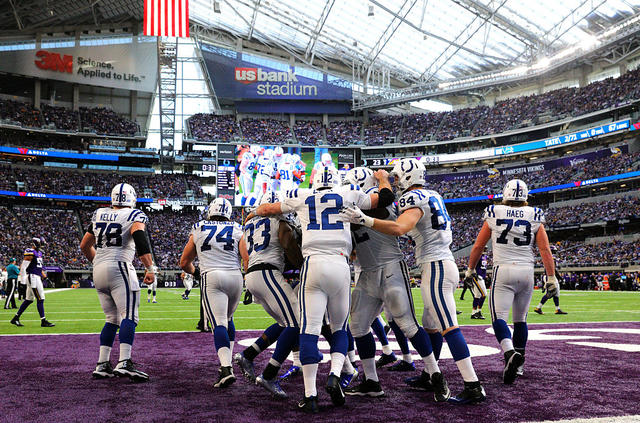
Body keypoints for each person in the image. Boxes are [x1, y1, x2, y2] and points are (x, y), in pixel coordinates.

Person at [339, 158, 485, 404]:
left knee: (437, 325)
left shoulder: (394, 198)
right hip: (377, 271)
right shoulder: (429, 195)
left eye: (397, 178)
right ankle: (382, 380)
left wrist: (366, 212)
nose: (395, 183)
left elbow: (397, 225)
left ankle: (468, 383)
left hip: (425, 264)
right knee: (364, 326)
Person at [254, 165, 390, 413]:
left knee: (309, 330)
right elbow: (384, 199)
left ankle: (310, 395)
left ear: (313, 180)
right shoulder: (348, 192)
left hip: (313, 264)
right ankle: (336, 373)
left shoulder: (302, 195)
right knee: (339, 328)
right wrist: (382, 178)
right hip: (340, 263)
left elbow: (268, 209)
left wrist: (256, 212)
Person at [340, 167, 444, 400]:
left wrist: (383, 181)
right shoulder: (377, 200)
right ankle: (371, 381)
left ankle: (435, 375)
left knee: (407, 324)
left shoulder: (370, 202)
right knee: (358, 326)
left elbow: (381, 201)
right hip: (369, 273)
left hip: (390, 268)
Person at [466, 179, 557, 385]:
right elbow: (544, 249)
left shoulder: (494, 212)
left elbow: (479, 246)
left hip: (503, 269)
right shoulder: (534, 214)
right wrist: (551, 276)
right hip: (527, 270)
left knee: (498, 318)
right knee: (520, 320)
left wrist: (471, 269)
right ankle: (520, 364)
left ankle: (509, 353)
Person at [79, 183, 155, 381]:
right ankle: (124, 362)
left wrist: (97, 261)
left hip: (99, 269)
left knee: (111, 319)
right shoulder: (134, 215)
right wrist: (149, 268)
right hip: (120, 266)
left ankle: (102, 363)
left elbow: (84, 245)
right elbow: (140, 238)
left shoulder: (99, 214)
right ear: (132, 198)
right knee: (129, 316)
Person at [235, 191, 303, 399]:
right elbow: (287, 245)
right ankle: (269, 374)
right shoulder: (279, 222)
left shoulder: (249, 227)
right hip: (268, 273)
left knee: (285, 323)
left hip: (254, 276)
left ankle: (249, 354)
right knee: (297, 323)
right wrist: (303, 265)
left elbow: (245, 252)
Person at [180, 197, 247, 388]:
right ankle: (227, 364)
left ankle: (226, 368)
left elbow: (184, 262)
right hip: (235, 276)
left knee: (218, 323)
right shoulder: (237, 228)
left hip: (212, 275)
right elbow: (246, 257)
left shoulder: (199, 226)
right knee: (229, 319)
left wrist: (197, 272)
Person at [10, 237, 55, 328]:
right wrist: (22, 282)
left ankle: (15, 318)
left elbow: (39, 267)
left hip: (37, 276)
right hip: (33, 277)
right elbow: (23, 267)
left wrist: (44, 276)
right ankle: (43, 321)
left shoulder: (39, 253)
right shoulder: (30, 251)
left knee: (29, 300)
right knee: (40, 298)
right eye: (41, 244)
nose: (42, 246)